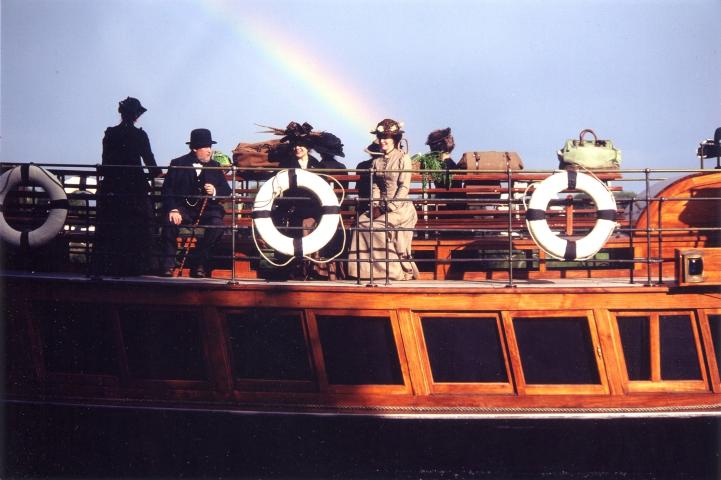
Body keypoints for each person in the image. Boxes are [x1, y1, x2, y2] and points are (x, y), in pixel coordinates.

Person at [94, 96, 161, 276]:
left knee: (113, 226)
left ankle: (109, 265)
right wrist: (158, 174)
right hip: (135, 188)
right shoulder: (140, 135)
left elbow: (105, 161)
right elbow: (151, 164)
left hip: (112, 186)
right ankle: (139, 266)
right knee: (139, 226)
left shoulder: (110, 133)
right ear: (136, 116)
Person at [348, 118, 419, 281]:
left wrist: (387, 208)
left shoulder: (403, 158)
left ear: (395, 140)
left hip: (400, 208)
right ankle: (364, 272)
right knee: (361, 223)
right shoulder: (377, 161)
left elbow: (404, 187)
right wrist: (375, 205)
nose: (382, 141)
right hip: (380, 204)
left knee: (377, 226)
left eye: (386, 138)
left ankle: (393, 272)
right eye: (380, 137)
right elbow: (376, 187)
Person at [159, 128, 231, 277]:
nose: (209, 151)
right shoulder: (178, 163)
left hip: (208, 210)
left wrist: (215, 192)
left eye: (210, 147)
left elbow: (226, 191)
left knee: (217, 226)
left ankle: (200, 264)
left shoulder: (215, 166)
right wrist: (173, 209)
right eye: (205, 147)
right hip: (183, 209)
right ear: (194, 148)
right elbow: (167, 190)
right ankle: (168, 265)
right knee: (169, 221)